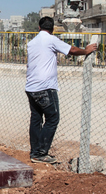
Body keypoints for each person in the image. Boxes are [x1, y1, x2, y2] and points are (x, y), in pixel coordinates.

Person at [25, 17, 98, 164]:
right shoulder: (51, 40)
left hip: (31, 87)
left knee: (36, 119)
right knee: (52, 118)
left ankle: (35, 151)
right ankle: (40, 153)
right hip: (45, 87)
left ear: (39, 28)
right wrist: (86, 51)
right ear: (52, 29)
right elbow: (71, 50)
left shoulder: (32, 43)